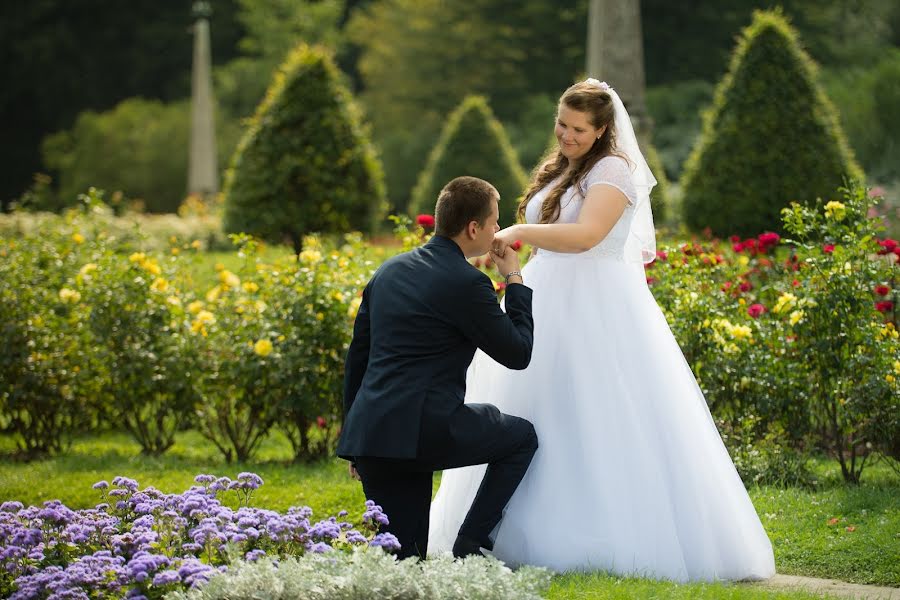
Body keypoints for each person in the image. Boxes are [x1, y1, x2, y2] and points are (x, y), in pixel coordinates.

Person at [427, 80, 777, 582]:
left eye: (577, 129)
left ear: (602, 130)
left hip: (597, 303)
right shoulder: (562, 168)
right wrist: (512, 257)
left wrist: (521, 232)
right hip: (546, 293)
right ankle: (493, 529)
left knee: (596, 409)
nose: (565, 135)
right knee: (533, 405)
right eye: (561, 124)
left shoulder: (614, 170)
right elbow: (555, 235)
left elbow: (589, 235)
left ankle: (601, 532)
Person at [337, 176, 539, 561]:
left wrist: (355, 439)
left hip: (372, 436)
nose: (499, 230)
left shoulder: (388, 271)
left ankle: (454, 548)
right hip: (428, 432)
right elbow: (518, 353)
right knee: (522, 437)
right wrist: (514, 279)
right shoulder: (468, 284)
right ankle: (471, 541)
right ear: (473, 228)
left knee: (404, 561)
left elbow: (358, 357)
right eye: (495, 222)